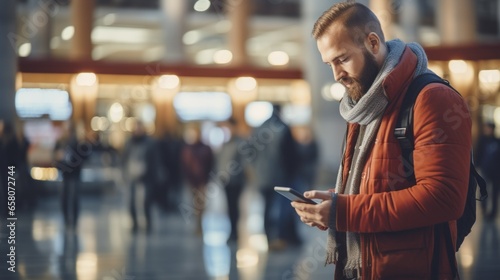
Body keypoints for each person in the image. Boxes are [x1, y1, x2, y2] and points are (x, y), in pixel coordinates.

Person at [291, 2, 472, 279]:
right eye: (329, 64)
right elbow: (376, 180)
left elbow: (443, 198)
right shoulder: (363, 105)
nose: (336, 75)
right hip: (364, 266)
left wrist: (344, 212)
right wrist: (334, 203)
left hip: (411, 268)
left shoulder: (432, 99)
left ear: (373, 43)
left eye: (342, 59)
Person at [251, 104, 297, 249]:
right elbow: (289, 155)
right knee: (281, 208)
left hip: (262, 175)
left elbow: (250, 152)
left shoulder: (259, 128)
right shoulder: (283, 128)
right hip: (279, 175)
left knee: (266, 207)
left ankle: (268, 237)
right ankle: (280, 238)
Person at [122, 120, 161, 233]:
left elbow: (155, 160)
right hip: (131, 176)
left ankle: (148, 222)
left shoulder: (150, 143)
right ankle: (134, 223)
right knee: (131, 201)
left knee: (146, 201)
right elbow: (124, 159)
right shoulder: (129, 143)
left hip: (146, 176)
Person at [215, 118, 246, 242]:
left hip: (236, 180)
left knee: (234, 206)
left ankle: (235, 231)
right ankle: (232, 230)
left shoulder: (240, 143)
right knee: (229, 206)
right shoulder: (225, 143)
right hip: (225, 180)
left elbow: (243, 162)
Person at [181, 124, 214, 236]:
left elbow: (210, 164)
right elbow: (184, 165)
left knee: (201, 203)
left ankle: (200, 224)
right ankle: (197, 224)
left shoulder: (205, 148)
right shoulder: (187, 148)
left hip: (202, 180)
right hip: (192, 181)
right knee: (194, 203)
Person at [53, 121, 86, 230]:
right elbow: (54, 157)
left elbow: (82, 157)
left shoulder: (77, 142)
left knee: (74, 198)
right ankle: (67, 220)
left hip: (74, 174)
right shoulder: (60, 142)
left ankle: (74, 221)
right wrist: (58, 159)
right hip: (64, 174)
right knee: (64, 198)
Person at [475, 121, 500, 220]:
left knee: (495, 193)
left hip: (496, 172)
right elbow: (478, 154)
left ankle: (493, 213)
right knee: (483, 191)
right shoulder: (482, 140)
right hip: (485, 169)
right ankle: (484, 210)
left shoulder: (497, 141)